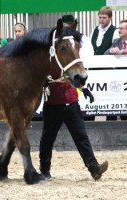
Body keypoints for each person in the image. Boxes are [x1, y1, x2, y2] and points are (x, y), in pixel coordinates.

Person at [39, 16, 108, 181]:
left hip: (71, 102)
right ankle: (44, 170)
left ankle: (94, 168)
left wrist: (85, 89)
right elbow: (39, 75)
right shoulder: (52, 55)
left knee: (81, 137)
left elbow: (75, 75)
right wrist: (44, 80)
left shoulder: (70, 53)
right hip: (53, 103)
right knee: (47, 139)